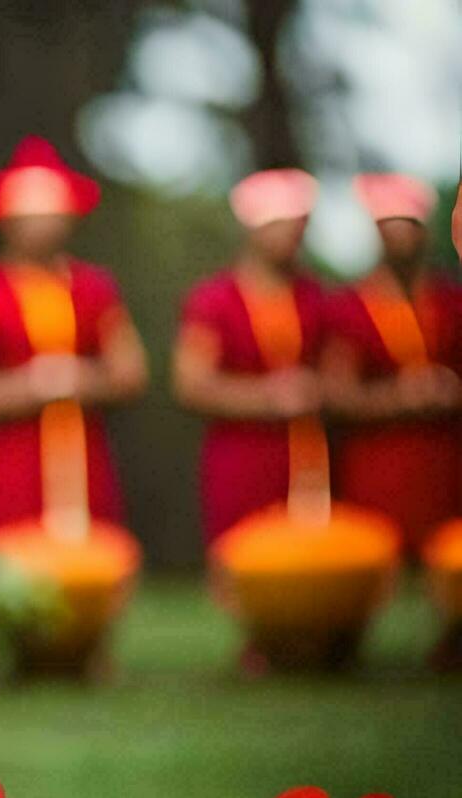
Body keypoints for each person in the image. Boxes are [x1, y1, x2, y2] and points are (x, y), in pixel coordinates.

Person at [0, 136, 147, 554]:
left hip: (84, 454)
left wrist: (81, 381)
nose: (41, 224)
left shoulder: (93, 288)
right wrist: (30, 387)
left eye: (51, 212)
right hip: (8, 459)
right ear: (6, 220)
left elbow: (131, 374)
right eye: (29, 214)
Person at [172, 168, 327, 544]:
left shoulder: (316, 297)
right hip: (240, 456)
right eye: (278, 222)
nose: (289, 233)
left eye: (296, 223)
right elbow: (191, 385)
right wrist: (268, 398)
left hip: (311, 454)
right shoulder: (214, 300)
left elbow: (340, 374)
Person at [321, 174, 462, 554]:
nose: (400, 236)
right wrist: (400, 398)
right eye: (390, 226)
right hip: (376, 467)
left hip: (447, 465)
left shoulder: (450, 299)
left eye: (409, 225)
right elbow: (337, 395)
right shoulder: (348, 307)